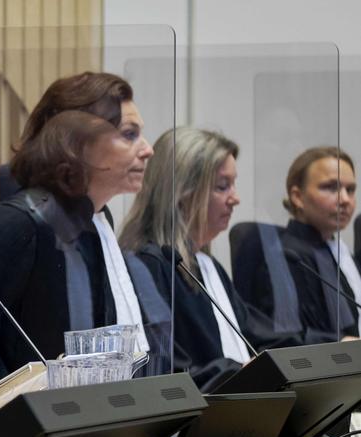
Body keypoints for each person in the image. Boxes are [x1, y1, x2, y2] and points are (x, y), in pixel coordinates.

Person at [0, 71, 158, 404]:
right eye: (129, 135)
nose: (148, 150)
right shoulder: (13, 226)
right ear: (76, 145)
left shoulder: (96, 224)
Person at [120, 127, 295, 391]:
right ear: (181, 193)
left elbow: (257, 335)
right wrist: (239, 373)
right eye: (222, 187)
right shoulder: (150, 265)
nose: (235, 198)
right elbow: (167, 370)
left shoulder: (207, 265)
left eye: (233, 185)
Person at [240, 147, 359, 343]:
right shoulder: (286, 256)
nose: (345, 199)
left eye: (350, 189)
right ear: (297, 196)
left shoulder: (339, 251)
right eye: (331, 187)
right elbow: (285, 337)